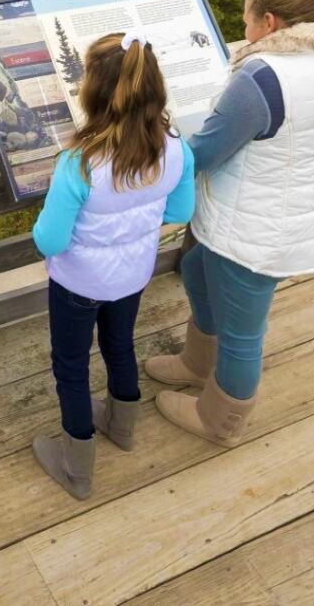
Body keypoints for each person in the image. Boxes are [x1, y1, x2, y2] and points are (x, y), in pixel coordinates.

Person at [149, 0, 314, 448]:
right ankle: (196, 364)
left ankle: (220, 420)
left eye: (247, 19)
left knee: (243, 333)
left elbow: (204, 153)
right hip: (291, 209)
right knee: (195, 269)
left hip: (254, 227)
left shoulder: (266, 76)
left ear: (270, 23)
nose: (243, 30)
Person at [30, 33, 196, 499]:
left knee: (71, 365)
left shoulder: (79, 163)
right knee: (119, 345)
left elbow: (50, 238)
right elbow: (180, 212)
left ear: (92, 93)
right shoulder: (176, 148)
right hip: (132, 274)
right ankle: (122, 427)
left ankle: (76, 467)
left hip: (78, 282)